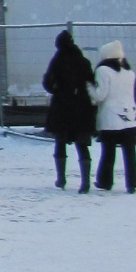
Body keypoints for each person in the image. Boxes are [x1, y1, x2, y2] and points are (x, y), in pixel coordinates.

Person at [42, 30, 95, 192]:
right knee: (82, 144)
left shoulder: (56, 61)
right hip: (82, 107)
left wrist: (57, 89)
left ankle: (61, 178)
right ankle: (85, 182)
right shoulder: (83, 61)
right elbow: (91, 81)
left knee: (60, 142)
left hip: (62, 107)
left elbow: (47, 82)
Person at [92, 39, 136, 193]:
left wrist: (89, 88)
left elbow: (100, 95)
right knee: (130, 153)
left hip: (111, 117)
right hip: (130, 116)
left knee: (108, 152)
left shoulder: (103, 71)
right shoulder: (129, 72)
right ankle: (132, 183)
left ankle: (105, 181)